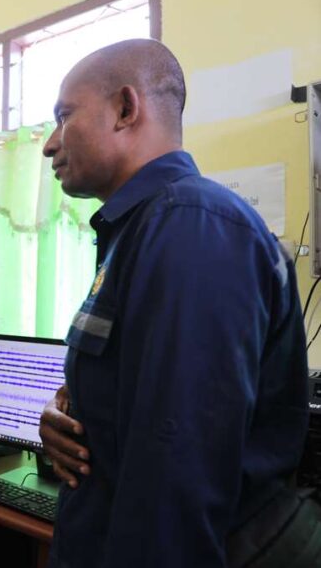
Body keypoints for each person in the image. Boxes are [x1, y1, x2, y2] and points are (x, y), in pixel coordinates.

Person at [38, 40, 317, 567]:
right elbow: (138, 400)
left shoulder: (191, 226)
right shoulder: (145, 228)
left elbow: (176, 477)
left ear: (126, 108)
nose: (49, 145)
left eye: (63, 117)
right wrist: (70, 415)